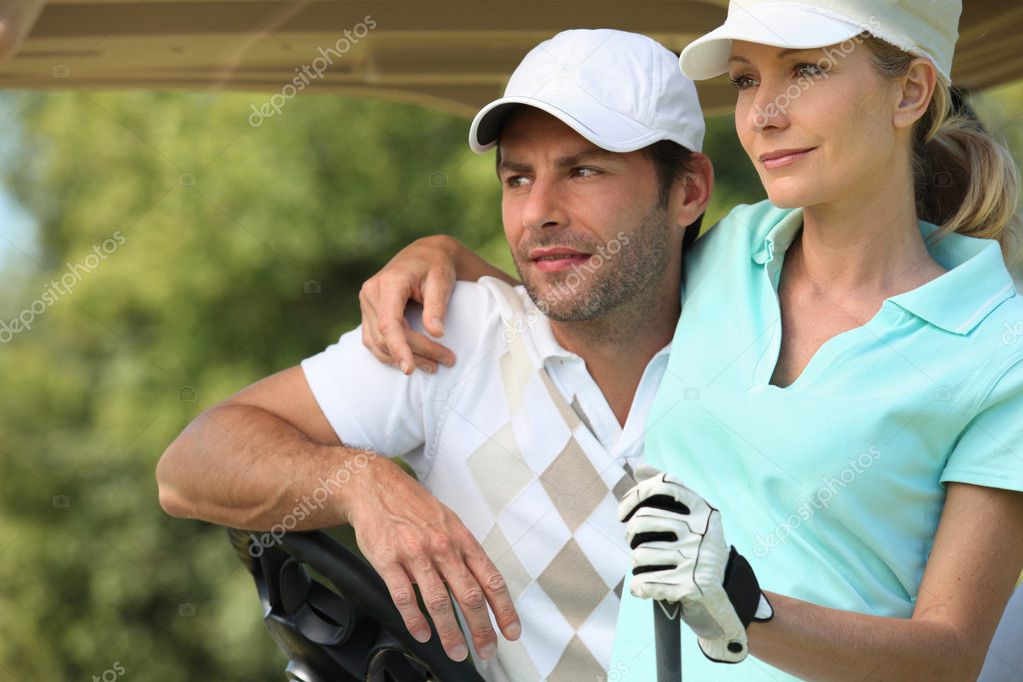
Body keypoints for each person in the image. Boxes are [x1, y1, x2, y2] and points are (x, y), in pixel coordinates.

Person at [358, 1, 1023, 679]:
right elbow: (584, 282)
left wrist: (741, 605)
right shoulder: (734, 251)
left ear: (909, 90)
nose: (763, 113)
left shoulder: (1002, 351)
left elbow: (950, 653)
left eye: (804, 70)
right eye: (744, 81)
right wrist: (441, 255)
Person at [156, 29, 714, 681]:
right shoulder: (456, 336)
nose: (537, 212)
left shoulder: (769, 328)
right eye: (517, 177)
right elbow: (190, 464)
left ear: (687, 191)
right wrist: (362, 483)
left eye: (583, 169)